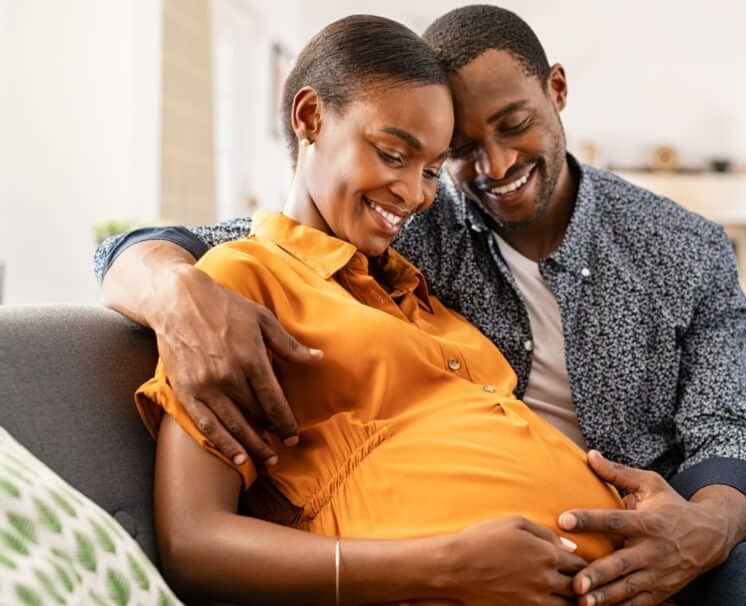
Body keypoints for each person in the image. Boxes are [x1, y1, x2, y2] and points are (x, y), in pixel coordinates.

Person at [96, 5, 746, 605]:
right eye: (448, 154)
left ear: (557, 91)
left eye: (513, 126)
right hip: (593, 529)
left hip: (705, 485)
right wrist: (173, 290)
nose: (491, 168)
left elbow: (730, 422)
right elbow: (186, 247)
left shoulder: (678, 242)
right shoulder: (408, 227)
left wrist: (708, 521)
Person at [136, 15, 622, 605]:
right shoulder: (236, 285)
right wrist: (449, 566)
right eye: (393, 153)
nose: (417, 194)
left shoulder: (415, 291)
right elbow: (194, 545)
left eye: (432, 171)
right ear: (311, 118)